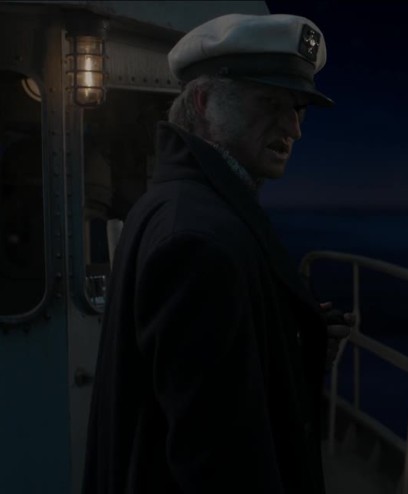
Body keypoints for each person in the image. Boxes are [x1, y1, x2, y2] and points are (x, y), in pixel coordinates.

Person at [82, 13, 352, 494]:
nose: (294, 129)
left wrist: (291, 340)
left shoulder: (177, 206)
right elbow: (218, 462)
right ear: (204, 103)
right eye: (270, 103)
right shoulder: (197, 240)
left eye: (298, 109)